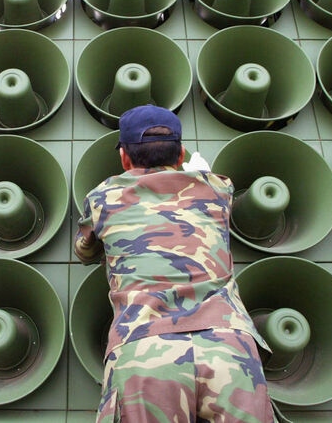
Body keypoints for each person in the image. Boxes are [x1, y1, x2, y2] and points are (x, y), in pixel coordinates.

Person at [75, 105, 274, 423]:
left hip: (146, 351)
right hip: (229, 349)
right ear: (181, 153)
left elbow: (84, 252)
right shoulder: (218, 188)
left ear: (124, 158)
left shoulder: (102, 198)